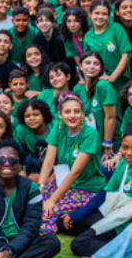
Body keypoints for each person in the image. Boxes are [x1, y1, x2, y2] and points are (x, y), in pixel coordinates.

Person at [68, 126, 132, 257]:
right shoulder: (124, 163)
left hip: (124, 225)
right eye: (125, 147)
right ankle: (99, 235)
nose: (129, 153)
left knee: (79, 244)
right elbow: (106, 191)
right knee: (66, 222)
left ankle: (126, 249)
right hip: (111, 213)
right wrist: (78, 214)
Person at [37, 93, 106, 236]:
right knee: (34, 203)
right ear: (60, 114)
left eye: (77, 111)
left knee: (49, 211)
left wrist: (52, 200)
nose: (72, 115)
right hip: (63, 183)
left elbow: (76, 172)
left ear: (83, 113)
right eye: (67, 112)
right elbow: (49, 161)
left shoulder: (90, 134)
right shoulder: (58, 129)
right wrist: (41, 187)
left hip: (86, 187)